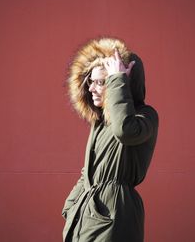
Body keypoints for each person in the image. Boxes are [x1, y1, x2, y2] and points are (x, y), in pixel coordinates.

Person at [62, 37, 159, 242]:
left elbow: (125, 131)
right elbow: (88, 172)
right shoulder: (100, 122)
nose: (91, 88)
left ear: (124, 82)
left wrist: (117, 79)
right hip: (85, 214)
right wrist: (71, 206)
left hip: (115, 215)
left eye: (100, 82)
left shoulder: (146, 116)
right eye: (90, 81)